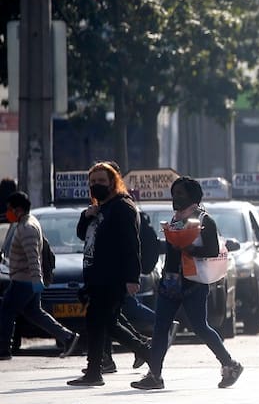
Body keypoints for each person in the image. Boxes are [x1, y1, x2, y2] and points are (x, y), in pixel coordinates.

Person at [132, 176, 243, 390]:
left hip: (194, 284)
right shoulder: (176, 220)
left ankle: (230, 364)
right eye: (173, 194)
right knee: (160, 327)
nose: (175, 198)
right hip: (170, 283)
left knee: (200, 327)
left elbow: (213, 250)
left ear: (192, 196)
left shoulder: (204, 220)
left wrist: (191, 249)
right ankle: (154, 375)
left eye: (180, 194)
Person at [68, 162, 151, 386]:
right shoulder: (99, 208)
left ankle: (142, 353)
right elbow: (82, 234)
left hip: (112, 276)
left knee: (101, 321)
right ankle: (99, 369)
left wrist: (132, 278)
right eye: (93, 182)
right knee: (103, 323)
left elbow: (131, 244)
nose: (97, 185)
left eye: (102, 181)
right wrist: (87, 215)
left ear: (112, 182)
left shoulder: (122, 207)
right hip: (96, 275)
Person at [0, 191, 80, 360]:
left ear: (18, 209)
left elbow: (33, 257)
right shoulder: (27, 223)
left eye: (9, 209)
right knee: (35, 313)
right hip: (27, 279)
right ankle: (67, 337)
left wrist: (37, 281)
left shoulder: (27, 228)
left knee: (6, 311)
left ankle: (3, 349)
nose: (8, 213)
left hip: (24, 280)